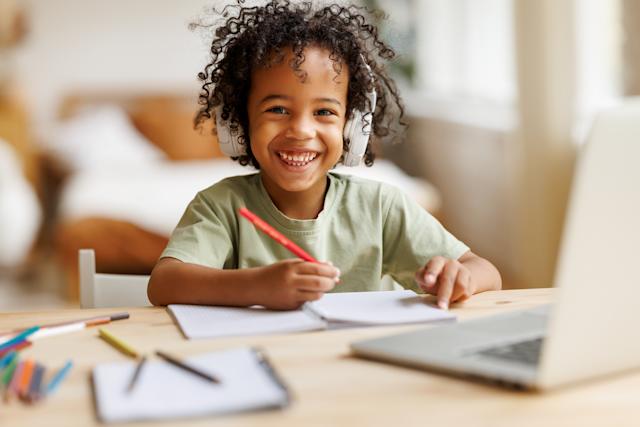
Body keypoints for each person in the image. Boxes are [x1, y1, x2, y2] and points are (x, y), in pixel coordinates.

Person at [148, 0, 501, 310]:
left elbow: (487, 272)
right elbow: (164, 283)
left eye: (324, 112)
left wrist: (460, 277)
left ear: (352, 127)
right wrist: (259, 286)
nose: (301, 131)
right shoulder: (221, 206)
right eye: (277, 110)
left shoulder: (381, 207)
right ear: (240, 123)